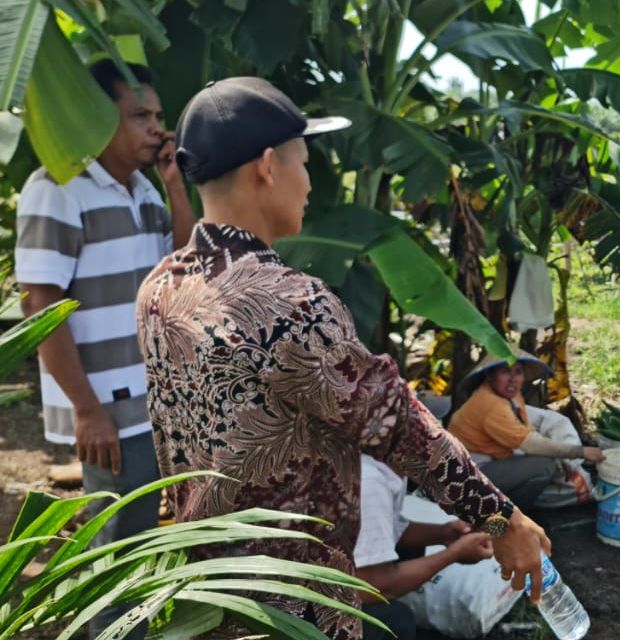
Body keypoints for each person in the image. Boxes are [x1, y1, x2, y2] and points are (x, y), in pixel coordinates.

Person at [136, 77, 549, 639]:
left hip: (208, 596)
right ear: (266, 167)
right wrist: (502, 519)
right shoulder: (288, 303)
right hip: (293, 611)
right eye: (303, 163)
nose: (308, 183)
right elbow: (399, 426)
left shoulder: (159, 291)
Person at [15, 59, 196, 637]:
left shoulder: (143, 187)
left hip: (149, 399)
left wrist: (173, 182)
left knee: (138, 539)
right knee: (115, 550)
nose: (156, 128)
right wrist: (87, 410)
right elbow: (40, 304)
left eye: (159, 116)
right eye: (138, 116)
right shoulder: (57, 187)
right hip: (107, 403)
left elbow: (187, 261)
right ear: (95, 118)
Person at [353, 454, 495, 640]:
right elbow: (374, 587)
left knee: (410, 552)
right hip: (309, 599)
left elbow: (391, 530)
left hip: (336, 564)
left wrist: (444, 533)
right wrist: (453, 554)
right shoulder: (370, 481)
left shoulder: (386, 465)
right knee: (395, 621)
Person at [448, 348, 605, 511]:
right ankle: (505, 513)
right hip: (465, 476)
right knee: (544, 466)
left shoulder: (511, 396)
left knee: (549, 460)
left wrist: (565, 456)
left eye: (518, 372)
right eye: (505, 372)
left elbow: (526, 430)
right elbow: (530, 444)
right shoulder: (490, 404)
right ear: (490, 376)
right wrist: (580, 452)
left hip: (488, 462)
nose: (512, 379)